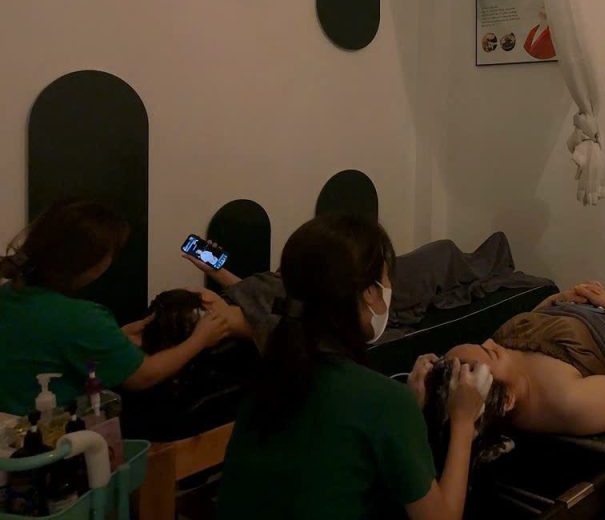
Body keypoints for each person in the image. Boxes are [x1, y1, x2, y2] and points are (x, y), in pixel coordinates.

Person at [216, 214, 489, 520]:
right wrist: (463, 421)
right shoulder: (384, 401)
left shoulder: (265, 383)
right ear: (370, 292)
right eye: (387, 278)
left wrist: (408, 410)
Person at [0, 200, 229, 414]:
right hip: (48, 433)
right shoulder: (82, 317)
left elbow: (47, 348)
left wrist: (114, 339)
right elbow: (143, 377)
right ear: (91, 261)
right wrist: (200, 338)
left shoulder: (9, 293)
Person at [438, 280, 605, 437]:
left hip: (593, 304)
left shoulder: (501, 362)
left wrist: (556, 300)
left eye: (481, 344)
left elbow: (529, 331)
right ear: (507, 400)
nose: (490, 342)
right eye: (490, 353)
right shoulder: (571, 402)